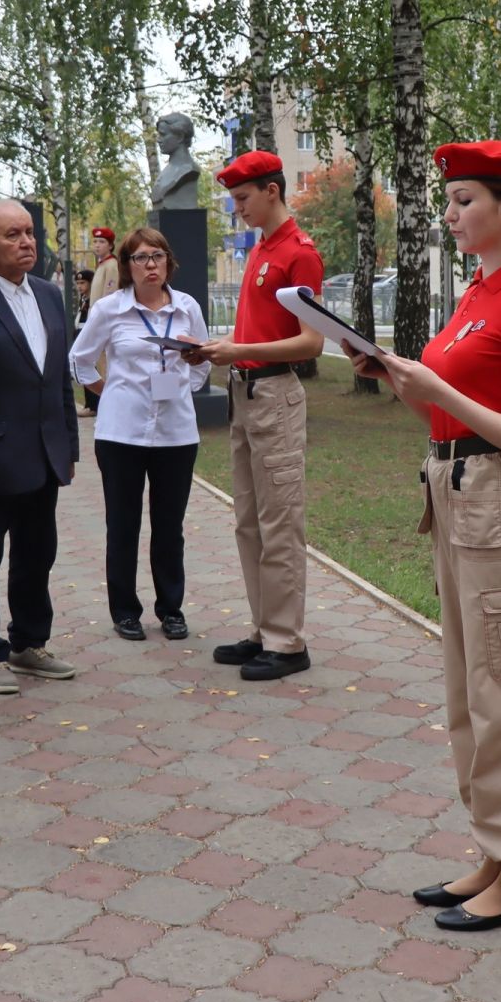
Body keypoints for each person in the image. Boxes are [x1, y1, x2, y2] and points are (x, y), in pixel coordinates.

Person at [349, 140, 501, 933]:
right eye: (447, 201)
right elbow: (447, 418)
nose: (450, 215)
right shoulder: (478, 291)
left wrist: (437, 384)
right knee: (467, 693)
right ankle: (494, 850)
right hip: (454, 493)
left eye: (464, 199)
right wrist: (404, 382)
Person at [190, 150, 324, 681]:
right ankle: (263, 628)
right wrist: (224, 346)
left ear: (272, 190)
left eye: (243, 198)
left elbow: (310, 342)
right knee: (248, 521)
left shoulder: (299, 252)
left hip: (275, 397)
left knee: (279, 522)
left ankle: (289, 642)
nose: (237, 208)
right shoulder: (261, 248)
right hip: (243, 394)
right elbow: (262, 331)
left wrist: (240, 349)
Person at [0, 200, 81, 697]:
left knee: (37, 553)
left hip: (44, 454)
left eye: (30, 233)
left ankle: (29, 643)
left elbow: (58, 380)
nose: (27, 243)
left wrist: (68, 442)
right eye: (12, 235)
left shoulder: (48, 295)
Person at [69, 227, 211, 641]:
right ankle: (125, 611)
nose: (151, 265)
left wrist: (183, 380)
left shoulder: (186, 308)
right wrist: (109, 391)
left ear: (169, 262)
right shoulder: (110, 309)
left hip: (176, 433)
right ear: (127, 266)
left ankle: (171, 609)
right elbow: (79, 361)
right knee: (123, 523)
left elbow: (203, 364)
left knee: (170, 526)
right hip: (121, 434)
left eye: (158, 256)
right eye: (141, 258)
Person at [82, 226, 120, 414]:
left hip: (105, 324)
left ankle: (109, 410)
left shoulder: (111, 266)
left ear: (111, 245)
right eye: (95, 241)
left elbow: (109, 296)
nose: (97, 245)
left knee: (106, 368)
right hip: (96, 321)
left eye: (102, 242)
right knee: (100, 365)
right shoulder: (102, 264)